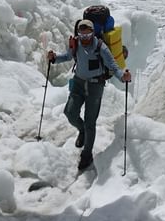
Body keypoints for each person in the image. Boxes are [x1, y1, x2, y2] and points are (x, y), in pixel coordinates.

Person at [48, 19, 131, 171]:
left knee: (90, 122)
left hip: (95, 86)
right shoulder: (76, 43)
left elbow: (113, 65)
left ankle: (86, 156)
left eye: (88, 35)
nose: (84, 38)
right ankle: (82, 131)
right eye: (82, 35)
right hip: (79, 83)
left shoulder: (101, 47)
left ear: (93, 33)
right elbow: (68, 56)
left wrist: (122, 76)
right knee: (69, 112)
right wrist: (54, 58)